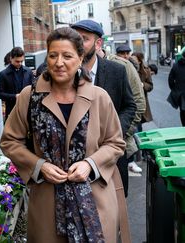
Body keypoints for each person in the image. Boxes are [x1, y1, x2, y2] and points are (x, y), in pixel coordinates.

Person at [0, 27, 131, 243]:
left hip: (95, 202)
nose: (59, 62)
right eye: (53, 55)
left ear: (80, 58)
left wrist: (90, 164)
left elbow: (115, 143)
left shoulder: (99, 97)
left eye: (67, 56)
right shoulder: (29, 96)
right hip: (47, 203)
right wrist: (39, 166)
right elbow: (10, 140)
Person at [71, 19, 136, 197]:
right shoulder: (61, 73)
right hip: (74, 164)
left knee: (113, 213)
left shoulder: (117, 71)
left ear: (98, 43)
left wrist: (115, 132)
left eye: (84, 39)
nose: (77, 44)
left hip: (110, 157)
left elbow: (130, 106)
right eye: (74, 38)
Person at [108, 47, 146, 174]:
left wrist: (123, 132)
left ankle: (135, 159)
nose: (124, 55)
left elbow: (137, 104)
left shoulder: (125, 66)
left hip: (121, 135)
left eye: (126, 53)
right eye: (121, 53)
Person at [0, 47, 34, 121]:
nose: (20, 63)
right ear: (11, 59)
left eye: (21, 61)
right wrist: (15, 96)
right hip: (12, 110)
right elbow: (0, 94)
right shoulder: (3, 74)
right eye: (17, 61)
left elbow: (33, 89)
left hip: (27, 109)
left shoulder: (28, 71)